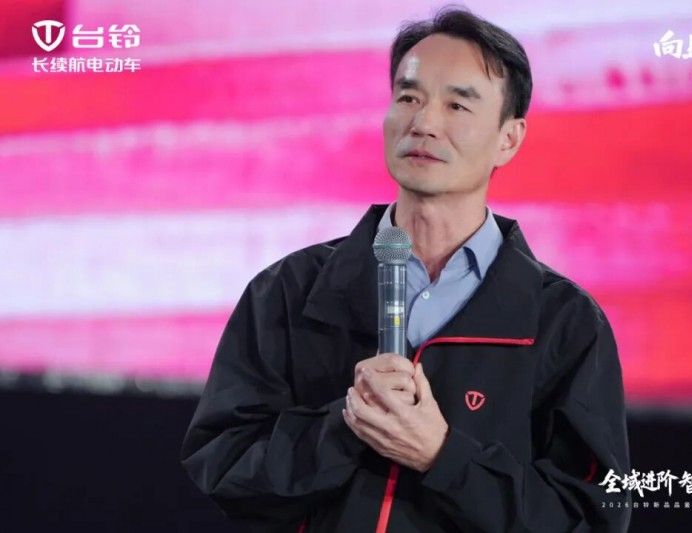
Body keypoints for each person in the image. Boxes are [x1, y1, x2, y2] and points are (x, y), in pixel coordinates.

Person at [180, 6, 631, 532]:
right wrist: (346, 427)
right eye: (408, 97)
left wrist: (442, 455)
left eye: (457, 105)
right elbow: (224, 468)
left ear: (508, 138)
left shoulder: (563, 322)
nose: (424, 123)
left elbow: (589, 518)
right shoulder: (288, 291)